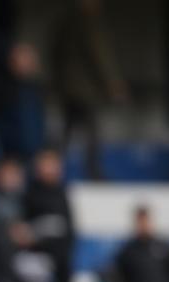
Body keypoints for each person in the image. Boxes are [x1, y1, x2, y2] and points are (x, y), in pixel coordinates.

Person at [50, 0, 126, 180]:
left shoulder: (66, 20)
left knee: (67, 130)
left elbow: (54, 53)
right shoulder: (88, 22)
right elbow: (99, 54)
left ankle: (52, 169)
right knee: (92, 131)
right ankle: (93, 172)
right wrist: (113, 83)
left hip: (67, 87)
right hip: (85, 88)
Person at [22, 148, 75, 282]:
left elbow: (69, 228)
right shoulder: (30, 193)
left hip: (60, 252)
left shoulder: (62, 193)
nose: (51, 169)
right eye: (47, 165)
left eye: (54, 165)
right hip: (35, 250)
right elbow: (23, 227)